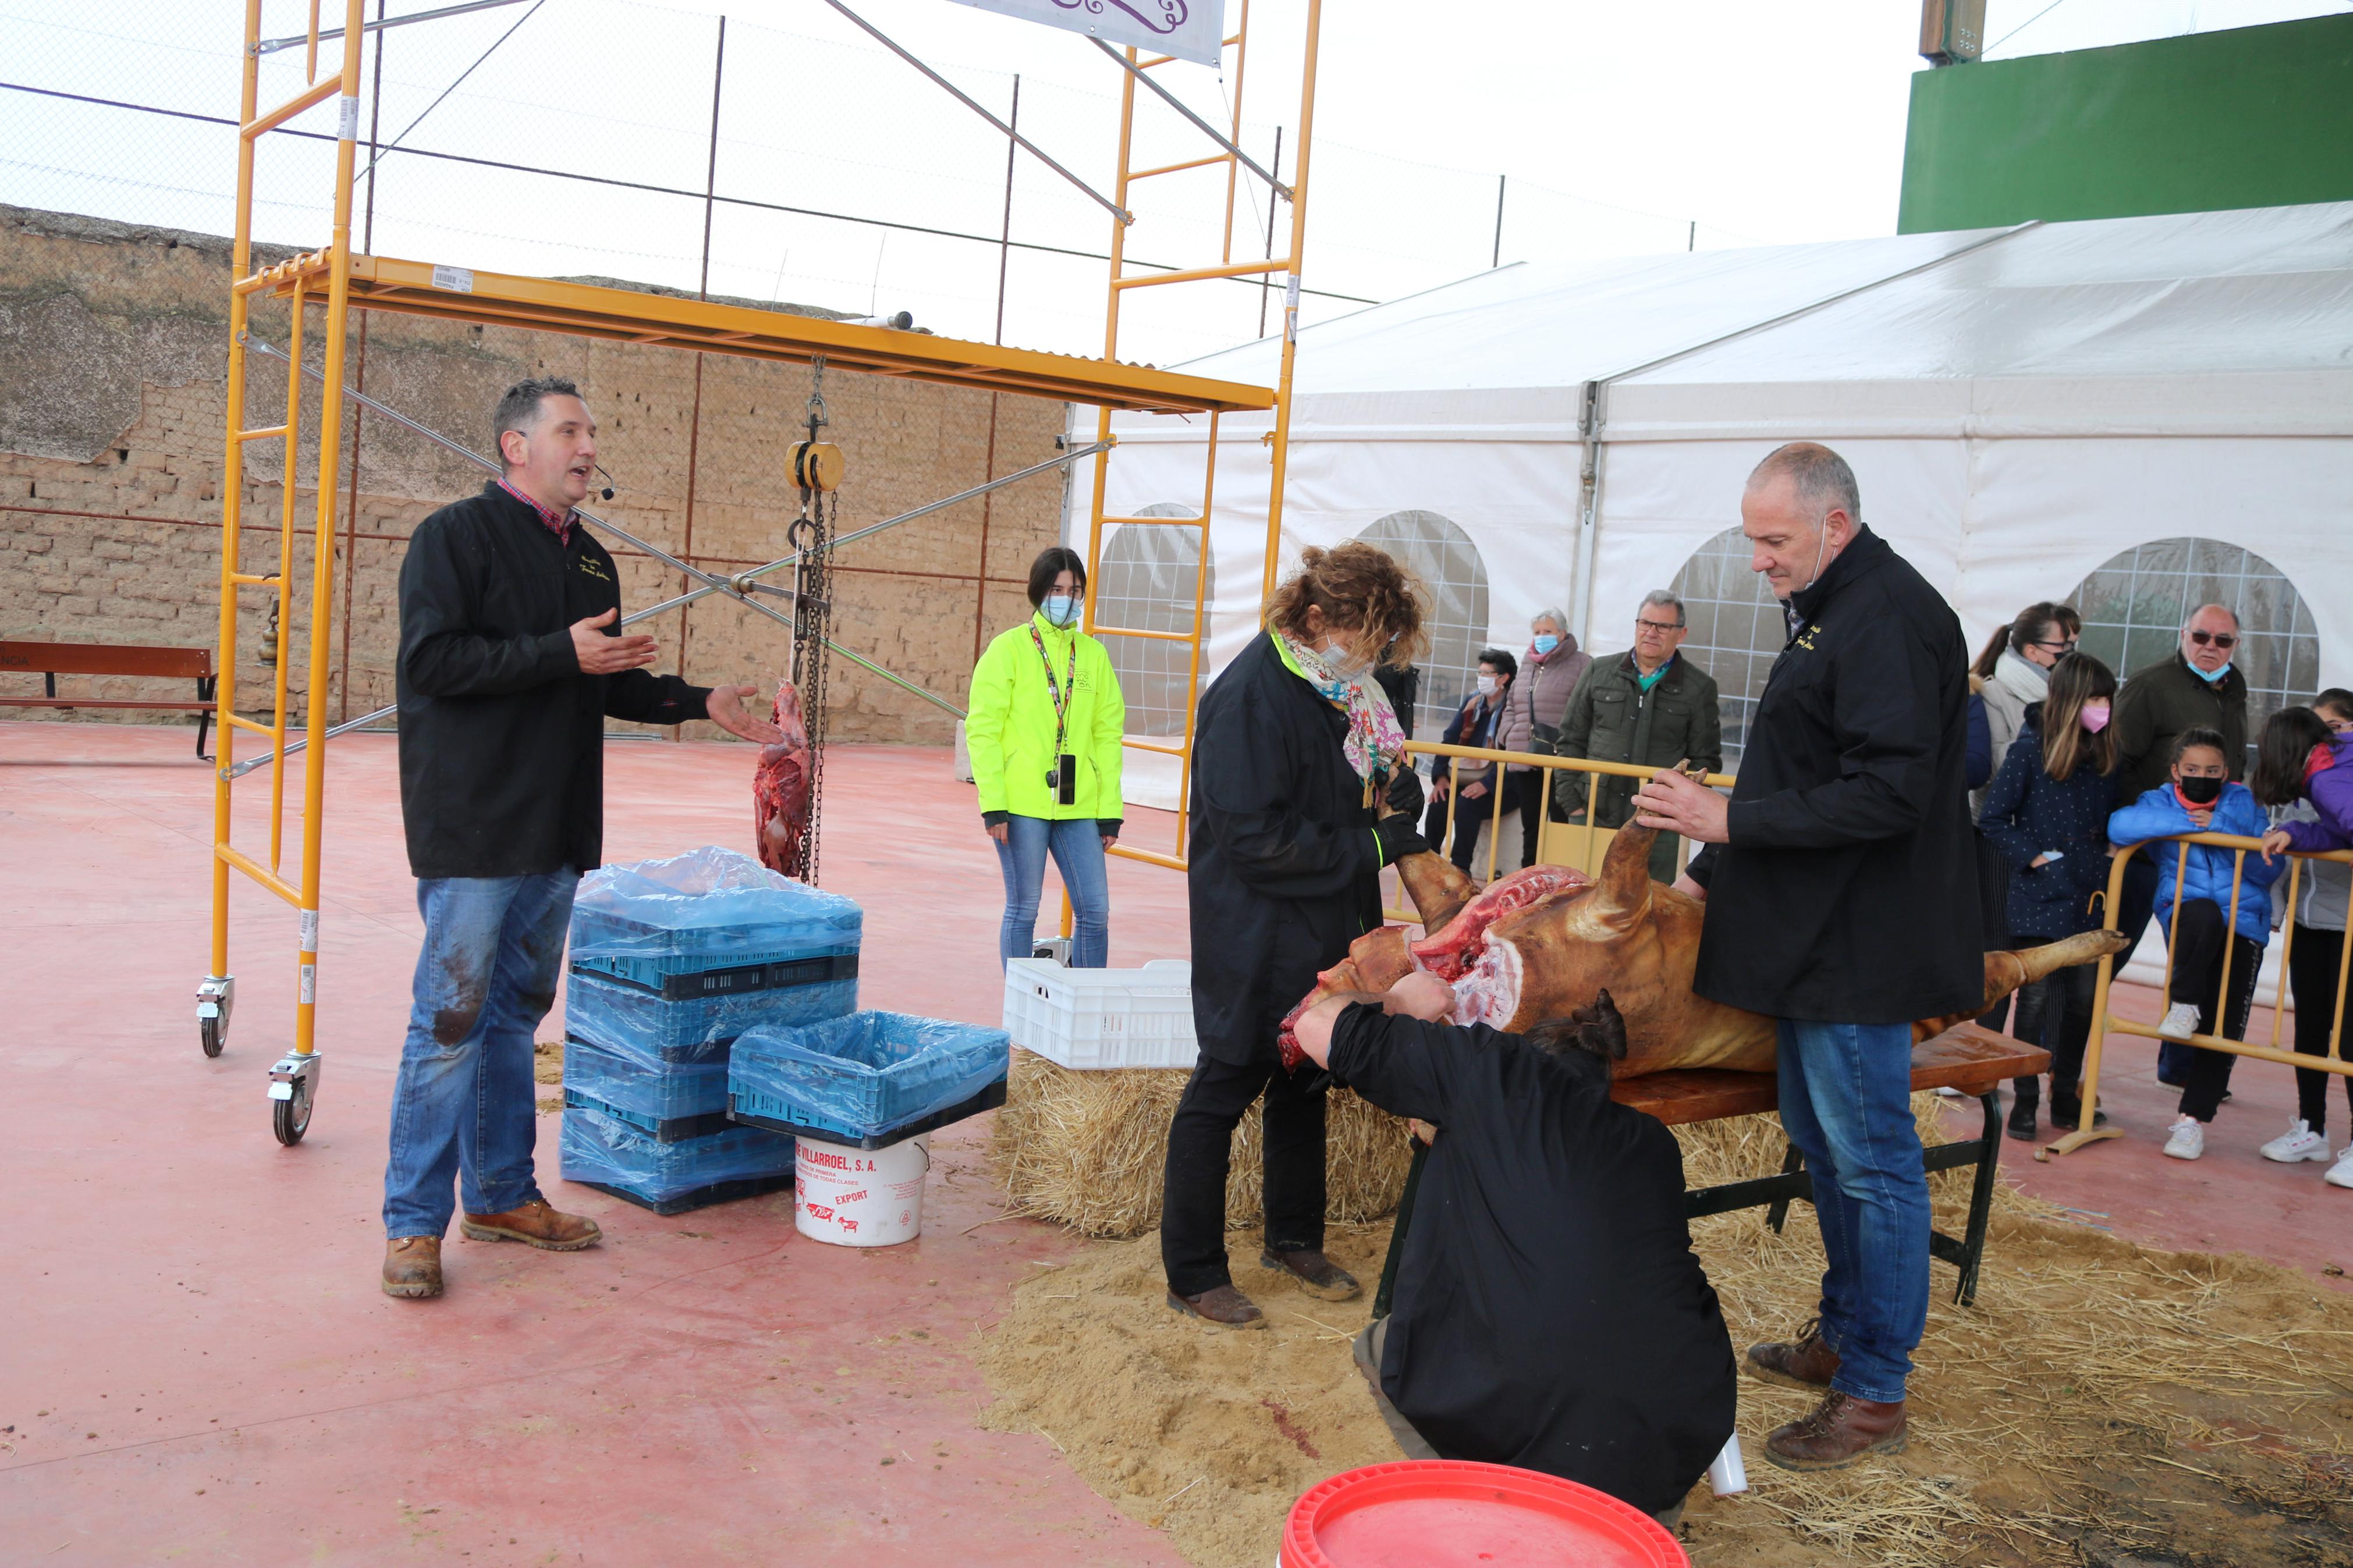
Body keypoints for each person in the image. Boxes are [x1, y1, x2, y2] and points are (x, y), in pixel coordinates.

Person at [385, 377, 783, 1300]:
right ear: (515, 445)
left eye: (593, 431)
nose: (589, 445)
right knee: (446, 1025)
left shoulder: (592, 562)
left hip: (556, 827)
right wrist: (555, 652)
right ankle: (411, 1223)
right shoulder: (453, 538)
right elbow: (430, 661)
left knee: (514, 1020)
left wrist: (693, 700)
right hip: (475, 827)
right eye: (571, 429)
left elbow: (599, 677)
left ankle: (499, 1194)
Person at [1630, 442, 1980, 1471]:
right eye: (1753, 539)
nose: (1757, 561)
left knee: (1873, 1166)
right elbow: (1804, 764)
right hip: (1812, 938)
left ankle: (1875, 1388)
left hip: (1860, 950)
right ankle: (1842, 1339)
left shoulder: (1890, 617)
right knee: (1827, 1152)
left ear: (1834, 524)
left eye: (1772, 540)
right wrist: (1709, 869)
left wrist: (1728, 825)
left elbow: (1888, 793)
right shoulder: (1836, 605)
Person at [1289, 976, 1735, 1526]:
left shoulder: (1489, 1066)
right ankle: (1638, 1519)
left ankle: (1501, 1502)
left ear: (1517, 1038)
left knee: (1379, 1347)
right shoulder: (1648, 1138)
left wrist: (1401, 1002)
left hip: (1547, 1412)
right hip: (1682, 1414)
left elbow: (1313, 1024)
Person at [1163, 542, 1429, 1328]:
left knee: (1305, 1078)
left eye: (1382, 646)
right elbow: (1256, 841)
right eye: (1365, 639)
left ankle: (1292, 1236)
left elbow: (1364, 778)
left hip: (1324, 921)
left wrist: (1395, 790)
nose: (1371, 657)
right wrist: (1381, 844)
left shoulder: (1340, 694)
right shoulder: (1251, 696)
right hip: (1254, 928)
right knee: (1224, 1083)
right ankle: (1194, 1269)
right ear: (1315, 619)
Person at [2107, 728, 2283, 1161]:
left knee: (2223, 1026)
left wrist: (2220, 826)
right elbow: (2120, 825)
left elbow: (2269, 867)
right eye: (2191, 770)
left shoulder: (2245, 803)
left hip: (2244, 921)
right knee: (2201, 911)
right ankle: (2183, 1004)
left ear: (2225, 772)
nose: (2201, 777)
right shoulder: (2159, 800)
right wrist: (2189, 824)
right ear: (2175, 771)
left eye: (2210, 770)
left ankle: (2192, 1121)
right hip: (2187, 913)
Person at [1976, 653, 2123, 1139]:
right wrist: (2037, 858)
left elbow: (2112, 817)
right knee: (2033, 999)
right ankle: (2024, 1100)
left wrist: (2108, 854)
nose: (2103, 708)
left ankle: (2064, 1095)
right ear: (2072, 700)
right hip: (2039, 895)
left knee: (2081, 1000)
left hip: (2089, 894)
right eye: (2096, 698)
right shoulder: (2029, 751)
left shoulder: (2105, 755)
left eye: (2107, 699)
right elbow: (1994, 815)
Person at [965, 546, 1124, 970]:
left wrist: (1109, 812)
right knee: (1023, 908)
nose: (1065, 598)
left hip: (1078, 804)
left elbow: (1107, 736)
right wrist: (993, 803)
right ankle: (1021, 1015)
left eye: (1074, 590)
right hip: (1019, 806)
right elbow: (983, 730)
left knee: (1095, 912)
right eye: (1056, 588)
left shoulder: (1093, 655)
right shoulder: (1008, 649)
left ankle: (1085, 1008)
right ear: (1038, 591)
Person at [2112, 605, 2252, 1086]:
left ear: (2236, 645)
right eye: (2201, 636)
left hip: (2207, 858)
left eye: (2223, 640)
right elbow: (2118, 761)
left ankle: (2183, 1069)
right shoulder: (2151, 685)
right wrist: (2145, 827)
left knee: (2199, 958)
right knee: (2112, 952)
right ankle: (2064, 1064)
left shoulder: (2233, 690)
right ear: (2183, 634)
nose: (2210, 647)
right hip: (2147, 852)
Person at [1552, 591, 1724, 884]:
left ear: (1681, 634)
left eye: (1663, 627)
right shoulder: (1599, 671)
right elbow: (1570, 740)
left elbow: (1705, 760)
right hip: (1592, 814)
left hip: (1658, 826)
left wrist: (1675, 813)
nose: (1651, 633)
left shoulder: (1698, 688)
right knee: (1580, 902)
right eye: (1645, 623)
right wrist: (1573, 804)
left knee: (1648, 910)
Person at [2253, 692, 2353, 1186]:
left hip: (2348, 924)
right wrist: (2295, 832)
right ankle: (2311, 1128)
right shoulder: (2326, 777)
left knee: (2351, 1034)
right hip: (2311, 920)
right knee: (2310, 1028)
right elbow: (2340, 834)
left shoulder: (2327, 775)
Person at [1498, 609, 1591, 867]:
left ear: (1562, 633)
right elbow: (1511, 705)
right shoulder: (1528, 663)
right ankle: (1529, 878)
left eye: (1548, 632)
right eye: (1537, 632)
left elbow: (1585, 711)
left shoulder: (1582, 664)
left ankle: (1566, 885)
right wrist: (1508, 734)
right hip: (1526, 757)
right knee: (1532, 827)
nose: (1541, 637)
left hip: (1562, 761)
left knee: (1563, 824)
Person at [1968, 603, 2078, 815]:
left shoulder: (2072, 693)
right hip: (2003, 828)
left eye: (2074, 644)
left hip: (2055, 820)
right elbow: (1992, 767)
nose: (2072, 654)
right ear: (2032, 652)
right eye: (2064, 646)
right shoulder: (1992, 693)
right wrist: (2050, 725)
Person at [1422, 648, 1521, 876]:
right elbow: (1449, 738)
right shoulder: (1473, 702)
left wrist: (1487, 784)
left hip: (1503, 786)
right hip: (1466, 777)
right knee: (1440, 801)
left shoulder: (1513, 709)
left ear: (1504, 678)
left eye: (1487, 674)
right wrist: (1440, 777)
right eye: (1480, 673)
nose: (1481, 679)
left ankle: (1460, 869)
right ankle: (1428, 862)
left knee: (1466, 806)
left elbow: (1515, 755)